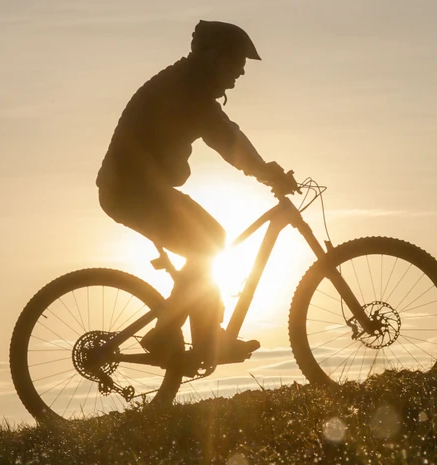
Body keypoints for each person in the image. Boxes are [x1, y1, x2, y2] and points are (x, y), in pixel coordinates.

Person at [95, 20, 297, 366]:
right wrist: (266, 172)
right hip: (131, 191)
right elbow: (225, 137)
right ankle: (176, 337)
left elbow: (225, 131)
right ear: (214, 58)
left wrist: (264, 170)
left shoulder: (188, 85)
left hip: (137, 189)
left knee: (209, 244)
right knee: (211, 242)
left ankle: (196, 338)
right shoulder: (187, 90)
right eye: (237, 62)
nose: (242, 72)